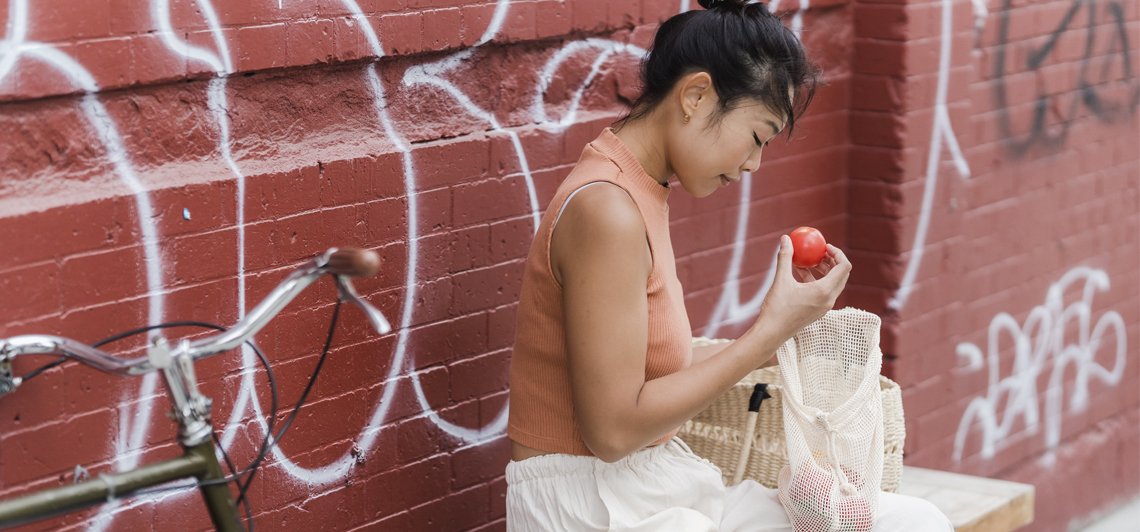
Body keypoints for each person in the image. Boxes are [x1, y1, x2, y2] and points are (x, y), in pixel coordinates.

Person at [504, 0, 954, 529]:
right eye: (758, 135)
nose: (752, 163)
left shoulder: (637, 189)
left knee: (913, 520)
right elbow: (612, 433)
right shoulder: (607, 209)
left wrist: (787, 330)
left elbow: (642, 379)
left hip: (654, 485)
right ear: (695, 95)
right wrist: (768, 333)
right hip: (589, 503)